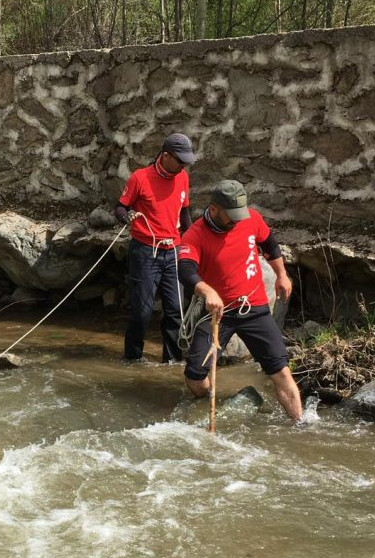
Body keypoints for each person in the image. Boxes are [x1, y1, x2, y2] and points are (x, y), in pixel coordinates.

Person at [177, 180, 303, 420]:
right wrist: (207, 291)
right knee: (194, 376)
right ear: (214, 209)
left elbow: (270, 245)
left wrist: (281, 275)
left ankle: (300, 425)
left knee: (281, 370)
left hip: (253, 306)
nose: (237, 220)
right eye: (231, 215)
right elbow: (185, 270)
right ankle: (205, 404)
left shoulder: (251, 219)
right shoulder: (195, 235)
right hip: (215, 312)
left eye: (240, 214)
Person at [115, 132, 196, 363]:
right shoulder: (140, 178)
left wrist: (191, 243)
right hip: (145, 252)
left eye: (186, 162)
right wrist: (127, 216)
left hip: (173, 252)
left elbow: (185, 213)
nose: (183, 166)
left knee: (175, 312)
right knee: (142, 312)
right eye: (180, 161)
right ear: (166, 155)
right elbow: (120, 207)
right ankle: (132, 359)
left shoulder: (182, 178)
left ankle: (171, 362)